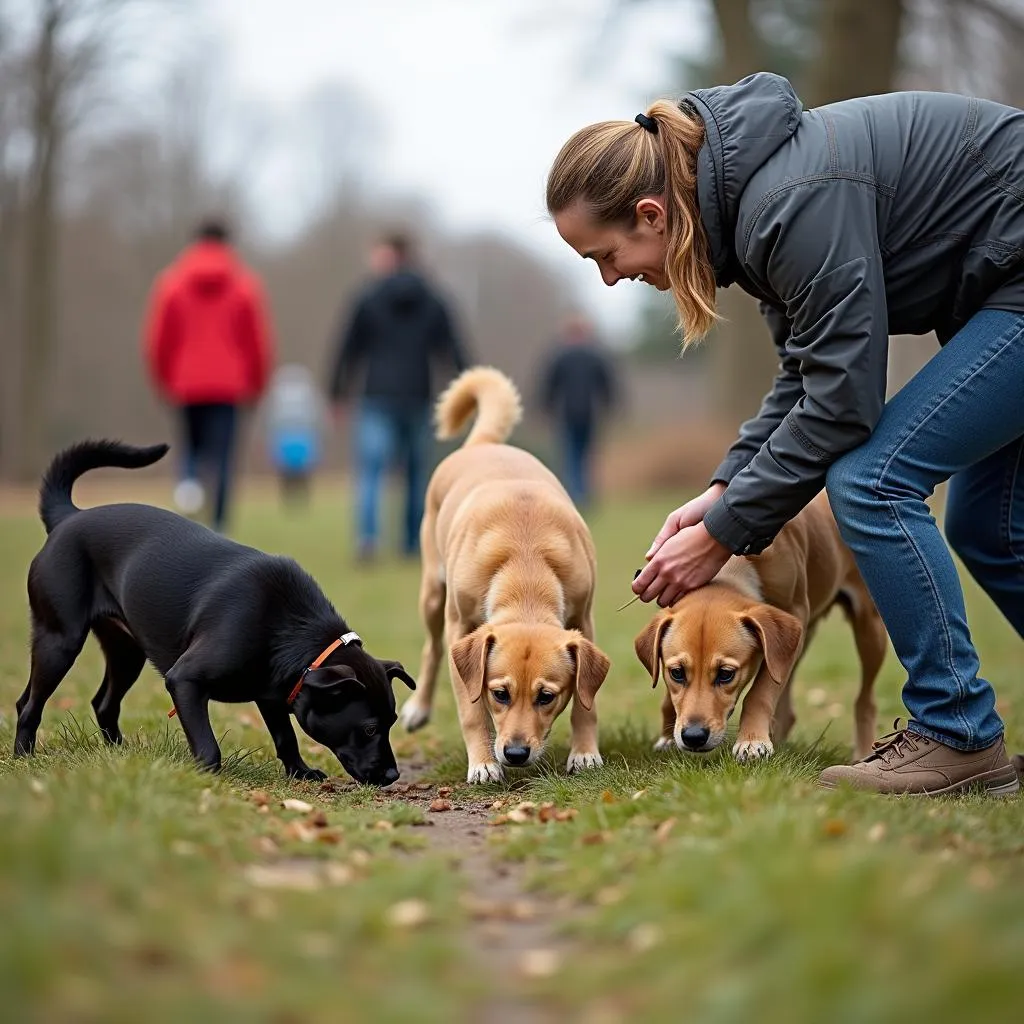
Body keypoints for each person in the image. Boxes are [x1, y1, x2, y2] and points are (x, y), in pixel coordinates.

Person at [546, 73, 1024, 797]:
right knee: (992, 526)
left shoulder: (786, 206)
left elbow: (844, 404)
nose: (611, 280)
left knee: (871, 479)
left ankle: (956, 733)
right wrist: (722, 492)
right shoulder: (752, 219)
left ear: (650, 214)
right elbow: (806, 376)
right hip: (998, 291)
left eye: (605, 257)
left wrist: (724, 534)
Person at [327, 233, 470, 561]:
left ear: (391, 256)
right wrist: (468, 391)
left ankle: (367, 538)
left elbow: (347, 348)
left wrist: (337, 392)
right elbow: (453, 348)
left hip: (376, 394)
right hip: (418, 395)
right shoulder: (434, 299)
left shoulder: (368, 296)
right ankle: (411, 543)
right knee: (416, 473)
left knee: (371, 470)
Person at [144, 218, 274, 533]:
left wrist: (163, 380)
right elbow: (257, 341)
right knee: (223, 455)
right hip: (229, 385)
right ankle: (219, 522)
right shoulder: (245, 285)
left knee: (190, 446)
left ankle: (188, 491)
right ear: (227, 243)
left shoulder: (171, 283)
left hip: (185, 382)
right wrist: (257, 385)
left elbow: (158, 339)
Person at [538, 312, 617, 509]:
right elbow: (607, 384)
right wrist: (610, 405)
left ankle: (575, 496)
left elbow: (549, 384)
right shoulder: (594, 355)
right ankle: (584, 496)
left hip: (567, 414)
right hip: (589, 413)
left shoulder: (559, 355)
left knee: (570, 456)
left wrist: (545, 406)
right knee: (586, 455)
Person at [265, 363, 324, 507]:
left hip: (293, 434)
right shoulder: (306, 391)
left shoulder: (280, 392)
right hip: (297, 434)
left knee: (293, 470)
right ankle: (298, 498)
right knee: (298, 470)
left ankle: (292, 498)